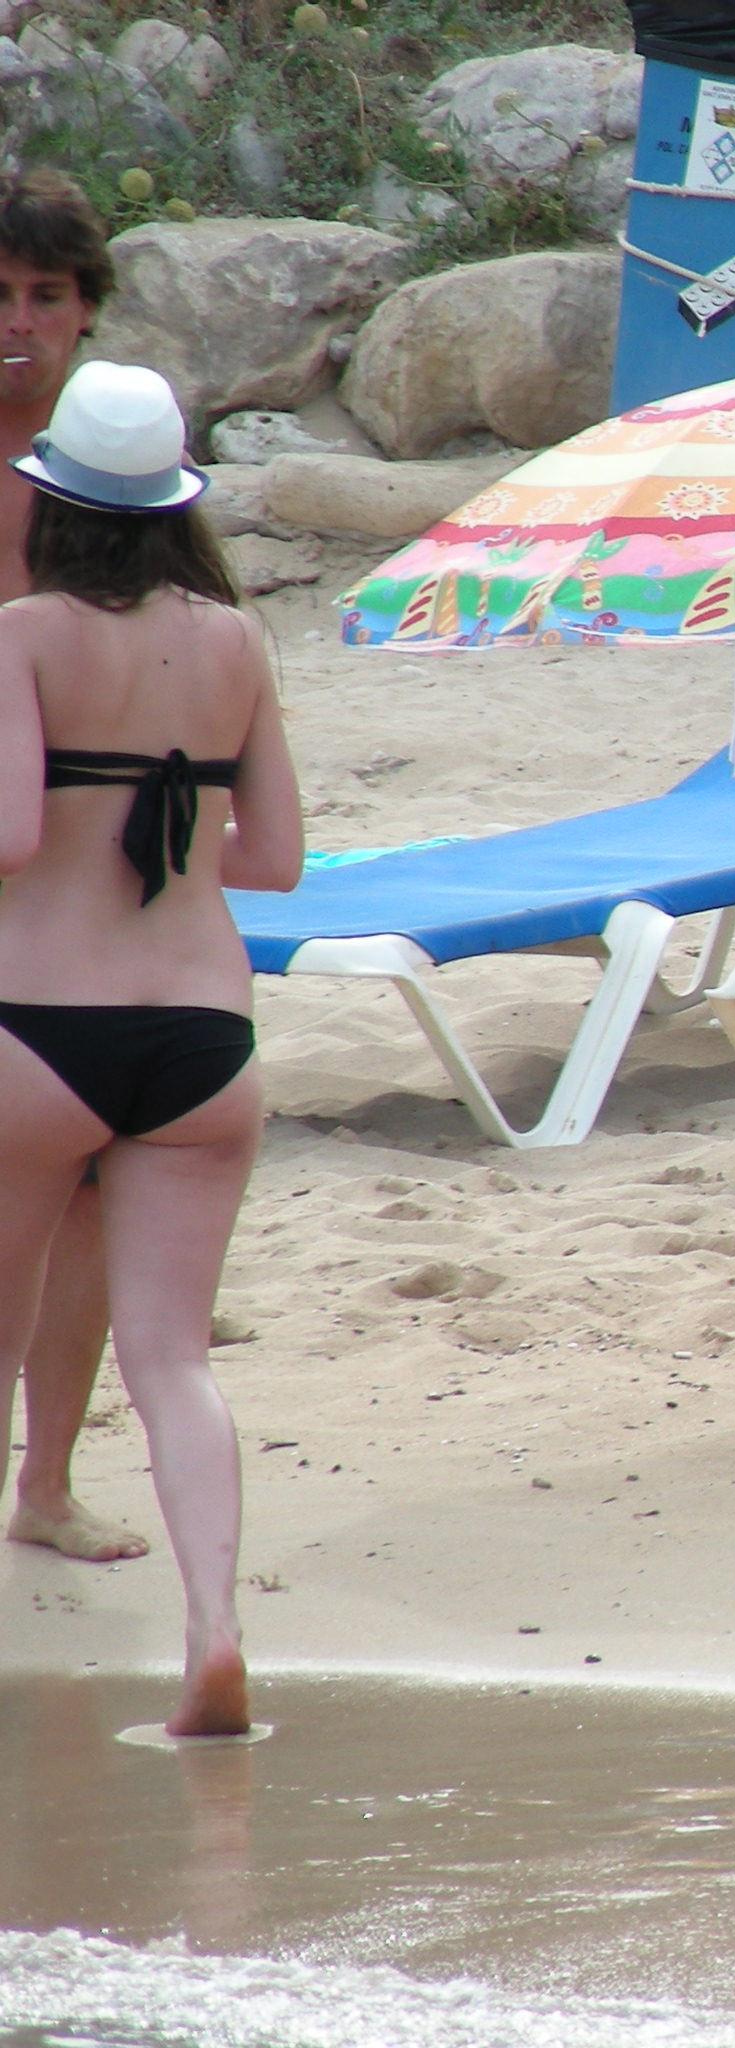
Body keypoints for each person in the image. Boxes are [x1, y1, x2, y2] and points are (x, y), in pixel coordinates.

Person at [0, 359, 302, 1735]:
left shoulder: (23, 634)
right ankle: (214, 1631)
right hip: (204, 1036)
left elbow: (11, 835)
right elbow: (274, 859)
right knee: (174, 1360)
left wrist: (82, 823)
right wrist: (161, 829)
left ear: (53, 499)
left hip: (39, 1027)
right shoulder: (236, 644)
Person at [0, 170, 143, 1565]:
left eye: (45, 296)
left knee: (87, 1178)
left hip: (85, 872)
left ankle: (45, 1483)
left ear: (86, 310)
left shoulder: (118, 468)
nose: (18, 323)